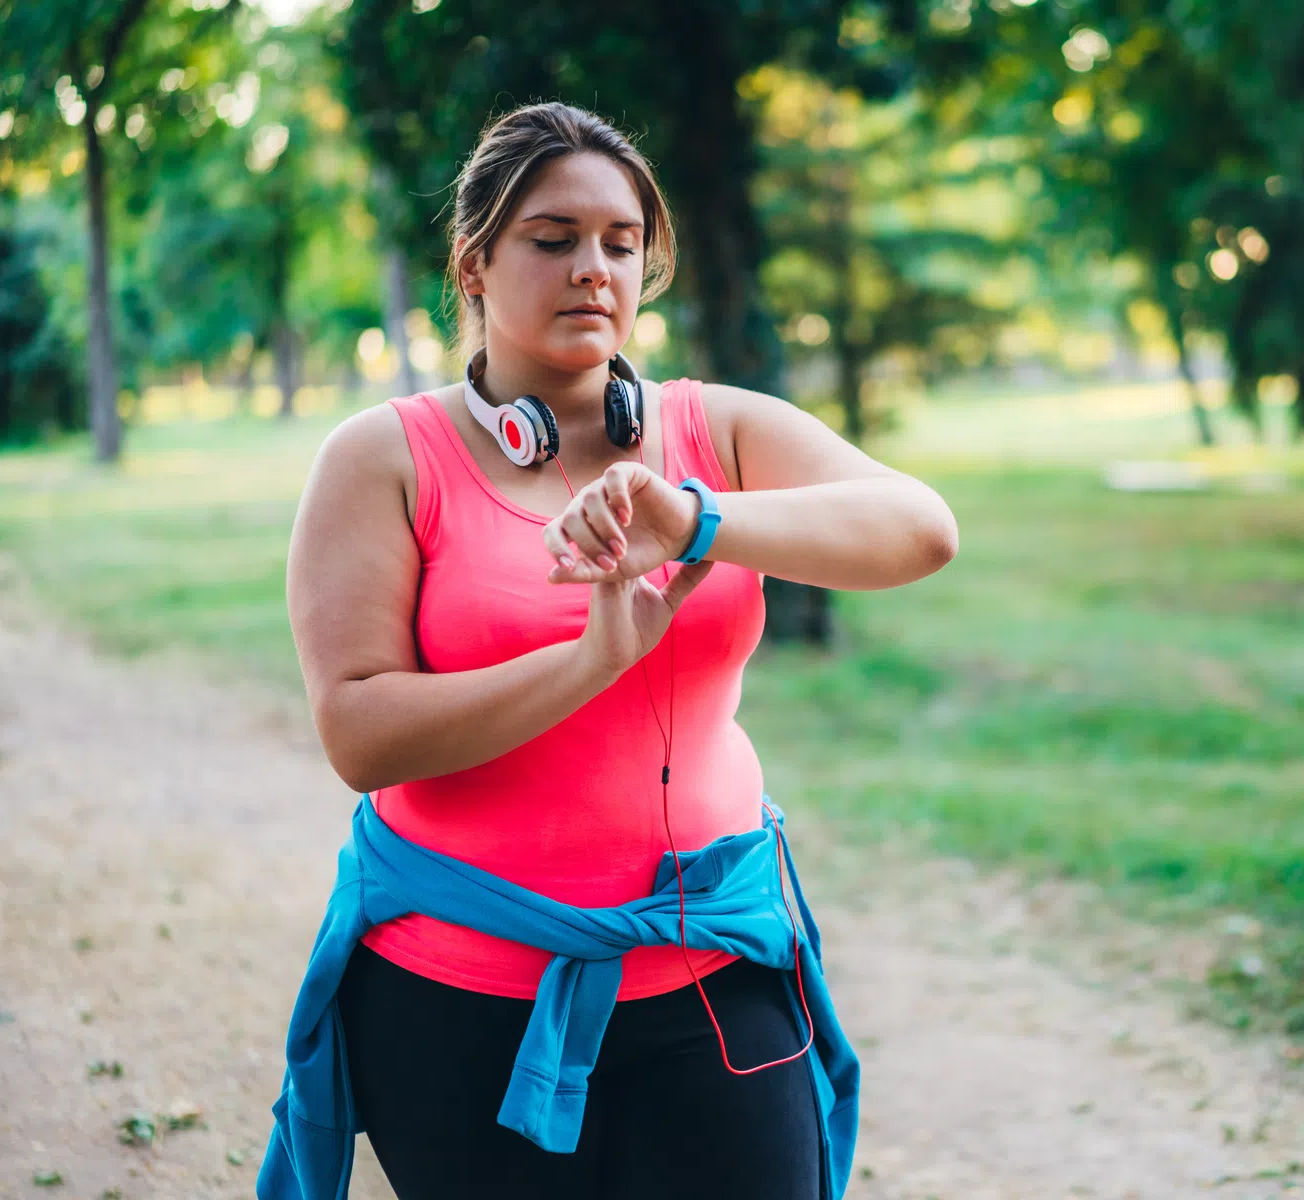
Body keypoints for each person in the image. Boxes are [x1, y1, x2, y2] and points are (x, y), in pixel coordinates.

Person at [280, 101, 958, 1200]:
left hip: (714, 981)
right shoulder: (380, 459)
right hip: (458, 1006)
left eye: (620, 242)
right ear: (475, 261)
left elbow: (922, 529)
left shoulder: (716, 431)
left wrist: (696, 520)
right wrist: (592, 661)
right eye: (553, 239)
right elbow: (359, 734)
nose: (593, 267)